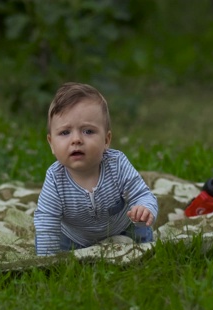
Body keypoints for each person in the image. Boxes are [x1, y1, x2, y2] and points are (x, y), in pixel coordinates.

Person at [34, 82, 159, 256]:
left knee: (143, 239)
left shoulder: (117, 164)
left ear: (106, 140)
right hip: (74, 239)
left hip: (122, 229)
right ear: (51, 144)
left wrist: (144, 209)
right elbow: (47, 221)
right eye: (64, 133)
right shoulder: (55, 178)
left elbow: (142, 194)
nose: (76, 139)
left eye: (88, 131)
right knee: (52, 242)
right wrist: (46, 262)